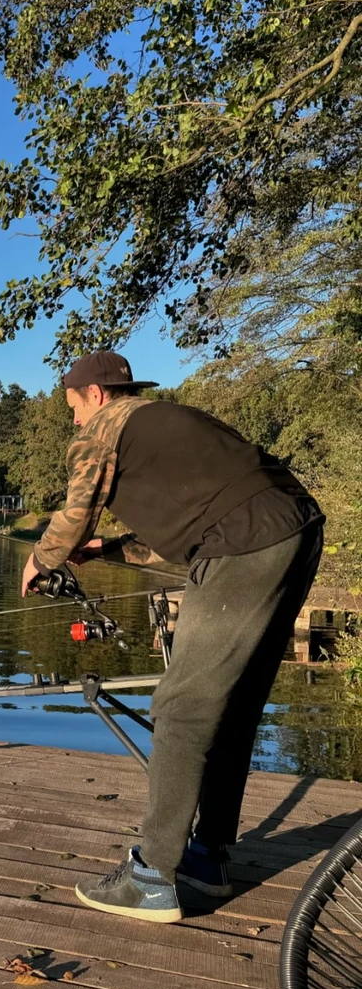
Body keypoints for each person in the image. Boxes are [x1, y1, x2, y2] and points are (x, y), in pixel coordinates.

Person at [21, 350, 324, 923]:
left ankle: (154, 873)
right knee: (230, 703)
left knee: (181, 705)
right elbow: (189, 522)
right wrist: (107, 550)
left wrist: (41, 558)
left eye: (73, 408)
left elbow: (75, 508)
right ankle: (206, 860)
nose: (75, 422)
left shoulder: (106, 428)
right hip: (294, 530)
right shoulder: (169, 423)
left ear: (97, 395)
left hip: (245, 544)